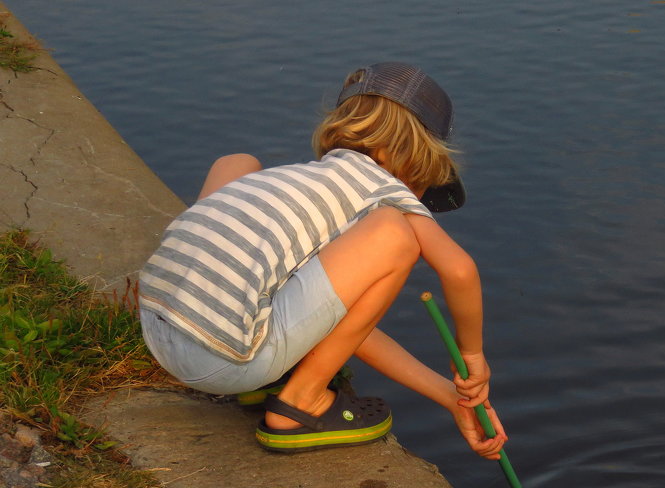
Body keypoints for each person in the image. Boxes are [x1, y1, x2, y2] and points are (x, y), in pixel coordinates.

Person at [138, 62, 507, 459]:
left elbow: (335, 324)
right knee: (395, 234)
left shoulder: (303, 184)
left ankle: (274, 371)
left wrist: (449, 397)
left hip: (156, 325)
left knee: (238, 164)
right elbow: (459, 269)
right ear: (418, 161)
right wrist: (473, 358)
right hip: (219, 360)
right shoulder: (388, 193)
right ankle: (301, 403)